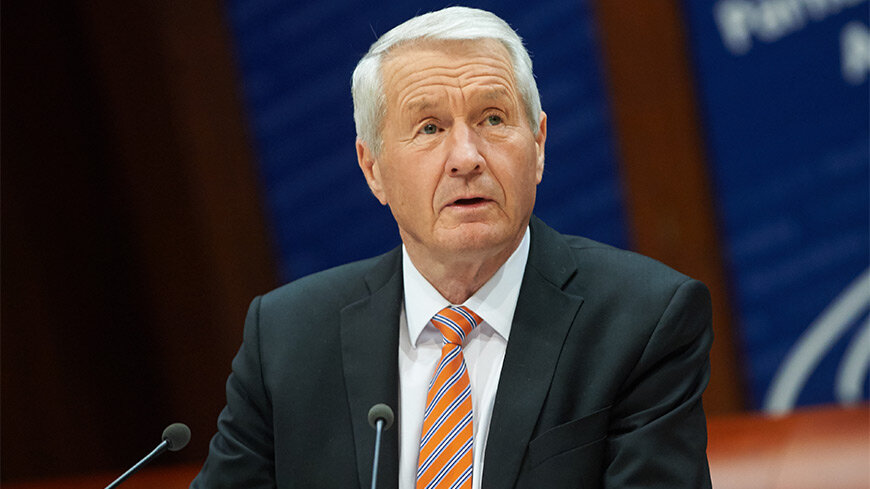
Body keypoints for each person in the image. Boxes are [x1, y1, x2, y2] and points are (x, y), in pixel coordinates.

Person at [192, 6, 713, 489]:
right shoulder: (287, 339)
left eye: (492, 119)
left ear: (538, 145)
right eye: (429, 128)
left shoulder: (642, 321)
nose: (466, 157)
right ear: (372, 169)